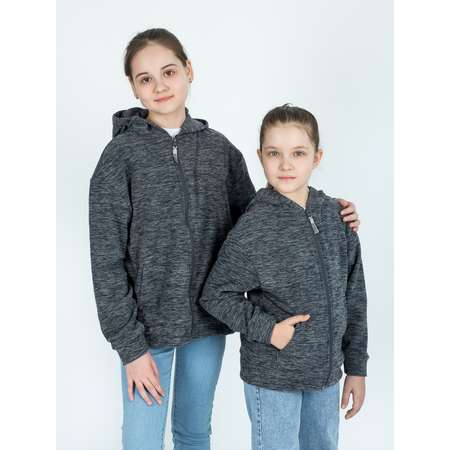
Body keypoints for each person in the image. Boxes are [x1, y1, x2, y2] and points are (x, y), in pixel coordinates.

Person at [88, 28, 361, 450]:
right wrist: (130, 347)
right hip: (145, 331)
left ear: (189, 70)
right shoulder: (119, 158)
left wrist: (327, 212)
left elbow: (262, 220)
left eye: (169, 71)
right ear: (133, 87)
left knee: (194, 431)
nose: (160, 85)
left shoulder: (221, 152)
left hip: (207, 325)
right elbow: (105, 260)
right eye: (145, 78)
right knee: (141, 440)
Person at [199, 104, 369, 450]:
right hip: (273, 376)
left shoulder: (337, 217)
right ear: (260, 156)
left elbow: (354, 296)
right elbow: (215, 294)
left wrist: (356, 367)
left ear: (317, 157)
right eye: (274, 153)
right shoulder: (254, 226)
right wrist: (269, 330)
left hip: (325, 376)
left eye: (298, 153)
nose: (286, 164)